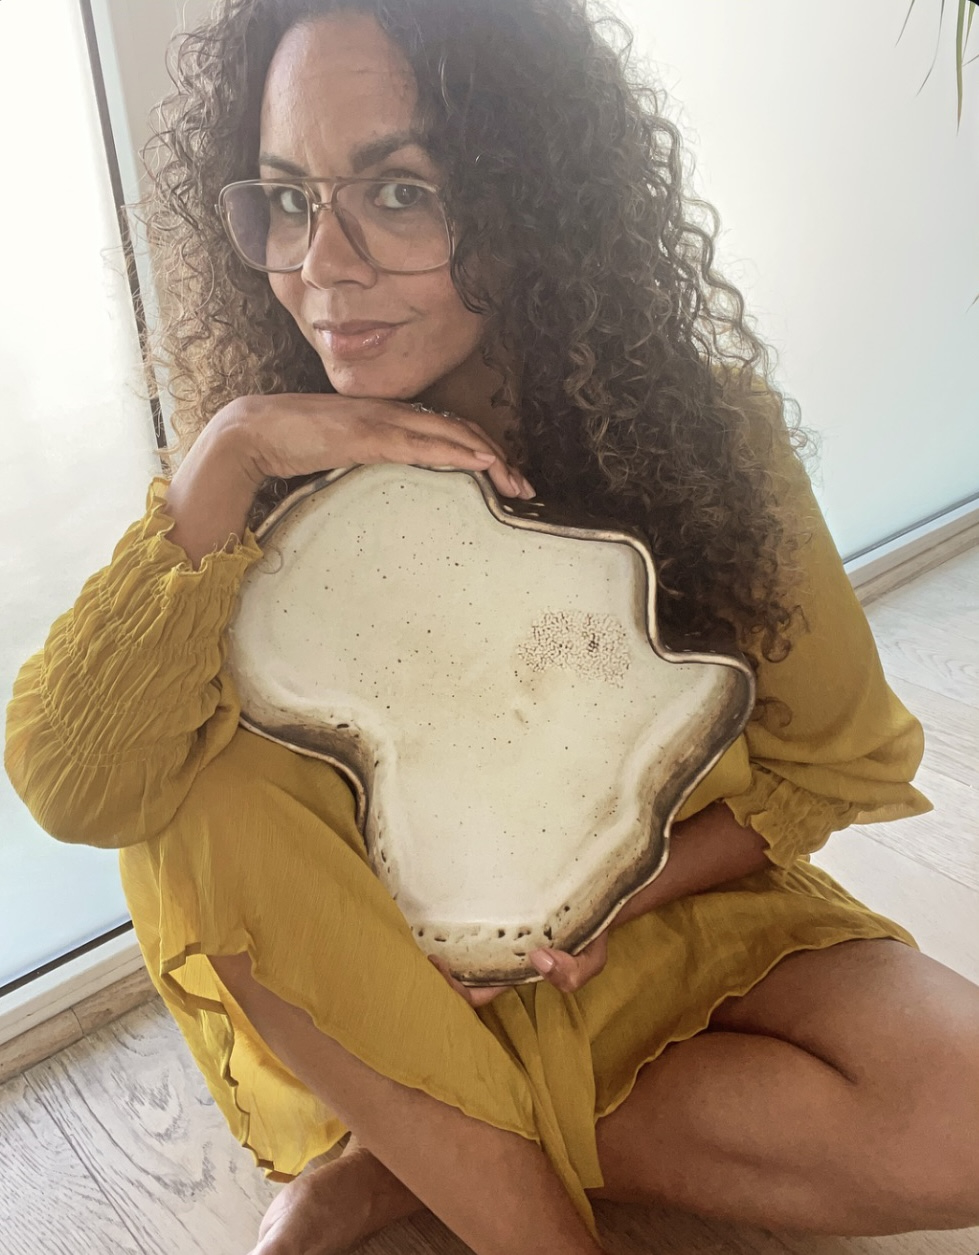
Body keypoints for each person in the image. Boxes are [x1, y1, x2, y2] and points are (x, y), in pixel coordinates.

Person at [6, 1, 979, 1253]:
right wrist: (231, 449)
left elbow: (833, 765)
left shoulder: (705, 438)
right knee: (199, 792)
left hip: (648, 924)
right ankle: (507, 1206)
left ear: (532, 201)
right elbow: (76, 786)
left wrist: (614, 901)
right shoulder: (248, 488)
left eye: (398, 192)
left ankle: (407, 1160)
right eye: (288, 198)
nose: (323, 264)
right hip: (379, 1002)